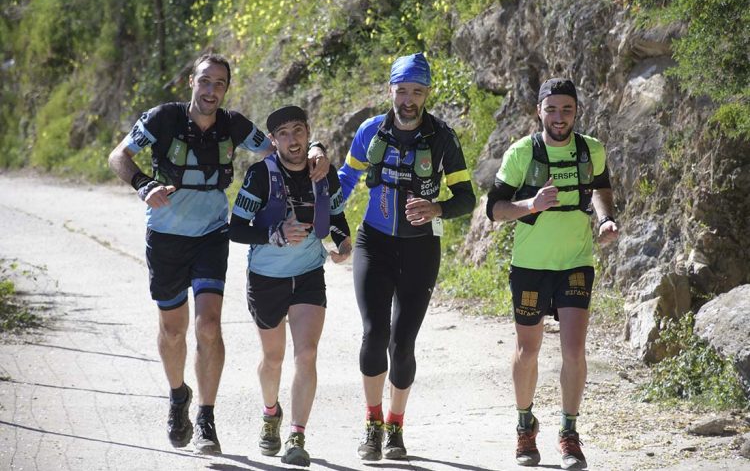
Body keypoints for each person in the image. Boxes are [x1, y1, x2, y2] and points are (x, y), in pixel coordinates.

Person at [107, 54, 328, 454]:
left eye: (220, 84)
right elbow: (118, 156)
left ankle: (206, 418)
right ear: (191, 81)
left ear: (227, 88)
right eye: (205, 82)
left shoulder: (234, 125)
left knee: (209, 325)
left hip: (212, 234)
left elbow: (280, 146)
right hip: (166, 237)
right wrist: (143, 184)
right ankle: (179, 397)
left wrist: (314, 148)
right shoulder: (162, 119)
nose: (211, 91)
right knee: (173, 331)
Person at [337, 52, 476, 461]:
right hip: (373, 242)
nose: (409, 99)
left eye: (417, 91)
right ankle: (372, 424)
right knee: (374, 333)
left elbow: (467, 197)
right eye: (402, 91)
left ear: (427, 93)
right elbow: (345, 181)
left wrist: (437, 209)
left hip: (420, 249)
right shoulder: (369, 131)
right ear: (390, 91)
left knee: (402, 343)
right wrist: (331, 226)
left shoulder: (443, 138)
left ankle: (396, 428)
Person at [486, 78, 619, 469]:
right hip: (530, 267)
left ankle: (569, 434)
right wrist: (531, 204)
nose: (559, 117)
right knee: (528, 351)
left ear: (576, 111)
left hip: (576, 263)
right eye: (552, 109)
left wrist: (606, 220)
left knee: (574, 350)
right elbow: (494, 209)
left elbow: (601, 188)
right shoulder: (521, 153)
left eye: (567, 109)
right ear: (539, 111)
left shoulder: (591, 149)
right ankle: (525, 425)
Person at [229, 105, 351, 466]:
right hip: (266, 278)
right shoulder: (259, 175)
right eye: (283, 133)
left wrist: (343, 244)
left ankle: (297, 436)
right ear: (273, 140)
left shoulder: (324, 173)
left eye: (298, 130)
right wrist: (274, 234)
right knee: (273, 358)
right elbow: (236, 228)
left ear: (308, 132)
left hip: (309, 273)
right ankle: (271, 414)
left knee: (307, 353)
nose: (292, 139)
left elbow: (338, 217)